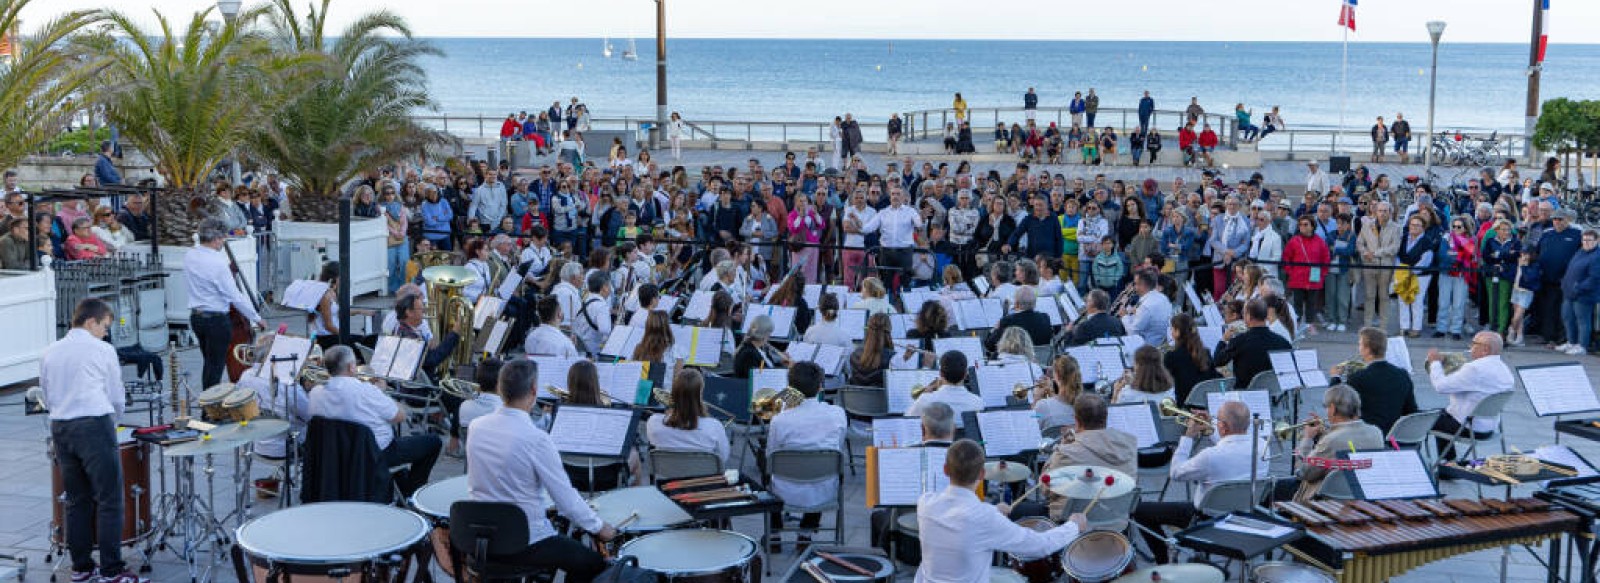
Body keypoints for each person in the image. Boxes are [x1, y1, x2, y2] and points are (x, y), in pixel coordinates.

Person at [466, 359, 616, 582]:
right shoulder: (537, 440)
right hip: (524, 541)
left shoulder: (476, 426)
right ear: (534, 390)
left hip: (480, 536)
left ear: (500, 388)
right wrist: (599, 527)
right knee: (593, 563)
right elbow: (566, 499)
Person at [41, 299, 147, 583]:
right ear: (91, 322)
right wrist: (113, 421)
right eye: (104, 326)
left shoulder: (50, 351)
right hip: (94, 424)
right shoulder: (103, 350)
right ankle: (112, 570)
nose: (105, 333)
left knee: (77, 500)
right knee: (110, 499)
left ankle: (82, 568)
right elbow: (116, 394)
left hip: (61, 426)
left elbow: (47, 393)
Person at [917, 439, 1085, 583]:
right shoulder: (985, 518)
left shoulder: (925, 503)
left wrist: (994, 510)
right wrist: (1073, 526)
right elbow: (1039, 546)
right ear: (982, 474)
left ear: (945, 470)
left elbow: (960, 516)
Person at [1132, 401, 1265, 563]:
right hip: (1244, 515)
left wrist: (1187, 437)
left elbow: (1175, 473)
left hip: (1206, 519)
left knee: (1139, 510)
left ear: (1223, 427)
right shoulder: (1263, 446)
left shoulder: (1209, 456)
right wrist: (1213, 427)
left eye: (1217, 420)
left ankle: (1163, 561)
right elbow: (1231, 443)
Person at [311, 345, 440, 497]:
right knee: (434, 442)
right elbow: (399, 417)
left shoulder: (316, 393)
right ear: (352, 367)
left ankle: (399, 481)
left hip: (336, 453)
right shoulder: (366, 391)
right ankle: (411, 495)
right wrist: (382, 393)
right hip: (374, 453)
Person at [767, 362, 847, 549]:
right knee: (820, 465)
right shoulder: (837, 414)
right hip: (824, 490)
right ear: (820, 386)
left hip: (784, 491)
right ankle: (805, 533)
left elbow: (771, 455)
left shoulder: (780, 419)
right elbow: (838, 446)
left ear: (790, 388)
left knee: (768, 469)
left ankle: (774, 533)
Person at [1032, 394, 1137, 521]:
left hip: (1072, 525)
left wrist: (1061, 446)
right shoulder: (1129, 446)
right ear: (1106, 418)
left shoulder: (1066, 452)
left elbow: (1045, 489)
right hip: (1115, 521)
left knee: (1022, 510)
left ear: (1076, 420)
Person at [185, 219, 265, 387]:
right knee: (215, 366)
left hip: (197, 317)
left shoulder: (190, 255)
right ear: (215, 239)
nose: (223, 242)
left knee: (209, 363)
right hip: (216, 319)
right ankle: (210, 408)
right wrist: (256, 317)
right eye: (222, 238)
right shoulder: (218, 263)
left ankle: (209, 403)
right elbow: (234, 296)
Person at [1282, 385, 1383, 501]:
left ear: (1333, 408)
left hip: (1326, 498)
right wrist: (1325, 433)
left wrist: (1307, 438)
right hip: (1359, 492)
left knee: (1275, 488)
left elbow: (1303, 473)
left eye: (1327, 408)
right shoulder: (1376, 432)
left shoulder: (1331, 440)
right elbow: (1344, 443)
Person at [1427, 332, 1514, 460]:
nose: (1470, 347)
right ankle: (1447, 464)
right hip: (1490, 427)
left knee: (1421, 419)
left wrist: (1435, 363)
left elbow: (1441, 387)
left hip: (1469, 428)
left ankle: (1436, 463)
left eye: (1474, 344)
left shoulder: (1474, 368)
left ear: (1485, 349)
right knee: (1441, 414)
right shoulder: (1505, 370)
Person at [1327, 327, 1417, 435]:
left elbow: (1336, 405)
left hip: (1368, 436)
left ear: (1367, 349)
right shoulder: (1403, 374)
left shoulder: (1358, 378)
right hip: (1396, 436)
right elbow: (1411, 411)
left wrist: (1335, 377)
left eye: (1360, 344)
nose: (1359, 348)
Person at [646, 368, 731, 463]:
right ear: (700, 394)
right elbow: (723, 458)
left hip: (667, 476)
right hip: (703, 476)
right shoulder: (714, 427)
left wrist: (670, 412)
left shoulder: (653, 423)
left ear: (673, 391)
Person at [1214, 298, 1292, 384]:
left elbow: (1218, 361)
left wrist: (1223, 340)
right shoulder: (1283, 342)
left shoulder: (1239, 341)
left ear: (1249, 316)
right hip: (1272, 393)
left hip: (1245, 393)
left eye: (1244, 314)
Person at [1356, 202, 1400, 329]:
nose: (1382, 213)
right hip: (1369, 265)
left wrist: (1375, 253)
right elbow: (1359, 243)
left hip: (1385, 266)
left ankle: (1383, 326)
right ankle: (1368, 325)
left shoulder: (1396, 227)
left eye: (1385, 211)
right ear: (1376, 212)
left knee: (1383, 297)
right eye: (1380, 210)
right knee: (1369, 296)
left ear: (1390, 213)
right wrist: (1365, 253)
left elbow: (1395, 247)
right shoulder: (1367, 225)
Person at [1282, 216, 1330, 327]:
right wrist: (1291, 271)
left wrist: (1322, 273)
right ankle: (1296, 324)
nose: (1302, 227)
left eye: (1305, 224)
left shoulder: (1320, 242)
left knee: (1311, 303)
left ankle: (1309, 324)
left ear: (1312, 226)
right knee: (1297, 303)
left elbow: (1325, 259)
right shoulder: (1294, 241)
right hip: (1297, 277)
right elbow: (1286, 257)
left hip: (1314, 277)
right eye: (1300, 225)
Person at [906, 350, 983, 419]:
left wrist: (925, 395)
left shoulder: (926, 400)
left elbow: (908, 419)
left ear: (940, 373)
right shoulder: (978, 402)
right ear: (966, 374)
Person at [1559, 228, 1600, 355]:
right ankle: (1571, 342)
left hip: (1584, 295)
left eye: (1589, 240)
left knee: (1583, 321)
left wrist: (1579, 287)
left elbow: (1594, 278)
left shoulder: (1597, 256)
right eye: (1584, 240)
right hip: (1569, 293)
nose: (1586, 242)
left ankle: (1582, 346)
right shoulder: (1580, 252)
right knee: (1568, 318)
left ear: (1597, 241)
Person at [1395, 215, 1437, 338]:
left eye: (1417, 225)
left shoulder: (1427, 241)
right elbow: (1397, 255)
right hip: (1402, 273)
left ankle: (1416, 328)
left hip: (1420, 275)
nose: (1414, 227)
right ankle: (1404, 327)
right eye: (1412, 224)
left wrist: (1412, 270)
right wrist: (1401, 269)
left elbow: (1426, 259)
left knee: (1417, 301)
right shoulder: (1403, 239)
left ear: (1423, 228)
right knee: (1402, 299)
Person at [1165, 313, 1220, 405]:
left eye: (1172, 329)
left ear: (1178, 332)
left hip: (1184, 406)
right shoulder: (1205, 352)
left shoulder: (1172, 356)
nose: (1171, 333)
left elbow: (1163, 383)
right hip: (1205, 404)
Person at [983, 286, 1051, 353]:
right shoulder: (1045, 317)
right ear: (1035, 303)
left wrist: (994, 329)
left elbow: (990, 346)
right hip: (1042, 360)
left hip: (1016, 361)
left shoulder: (1009, 320)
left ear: (1017, 304)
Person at [1119, 270, 1172, 347]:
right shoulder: (1163, 298)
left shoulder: (1146, 306)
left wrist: (1124, 316)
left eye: (1136, 284)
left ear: (1142, 285)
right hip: (1159, 342)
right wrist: (1134, 313)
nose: (1134, 287)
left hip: (1145, 348)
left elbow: (1133, 332)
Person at [1032, 355, 1082, 429]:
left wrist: (1036, 399)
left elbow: (1032, 420)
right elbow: (1061, 406)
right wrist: (1051, 393)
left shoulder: (1042, 406)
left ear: (1057, 376)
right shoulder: (1087, 404)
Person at [847, 313, 895, 387]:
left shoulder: (854, 355)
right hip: (880, 399)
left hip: (857, 398)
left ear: (868, 329)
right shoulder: (892, 358)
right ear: (888, 331)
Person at [571, 270, 613, 355]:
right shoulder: (601, 306)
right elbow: (605, 331)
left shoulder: (584, 300)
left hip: (578, 349)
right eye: (609, 285)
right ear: (604, 287)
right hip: (592, 352)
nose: (611, 289)